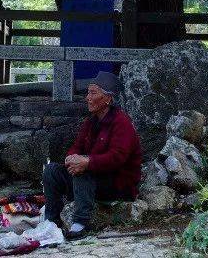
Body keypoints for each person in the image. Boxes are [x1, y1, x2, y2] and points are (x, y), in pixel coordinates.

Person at [42, 71, 142, 239]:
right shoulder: (91, 121)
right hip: (92, 180)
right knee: (51, 170)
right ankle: (51, 221)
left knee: (83, 170)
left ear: (108, 99)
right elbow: (76, 146)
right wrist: (71, 158)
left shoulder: (121, 122)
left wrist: (87, 162)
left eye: (93, 93)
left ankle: (80, 223)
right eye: (88, 92)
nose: (87, 97)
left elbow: (117, 158)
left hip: (117, 185)